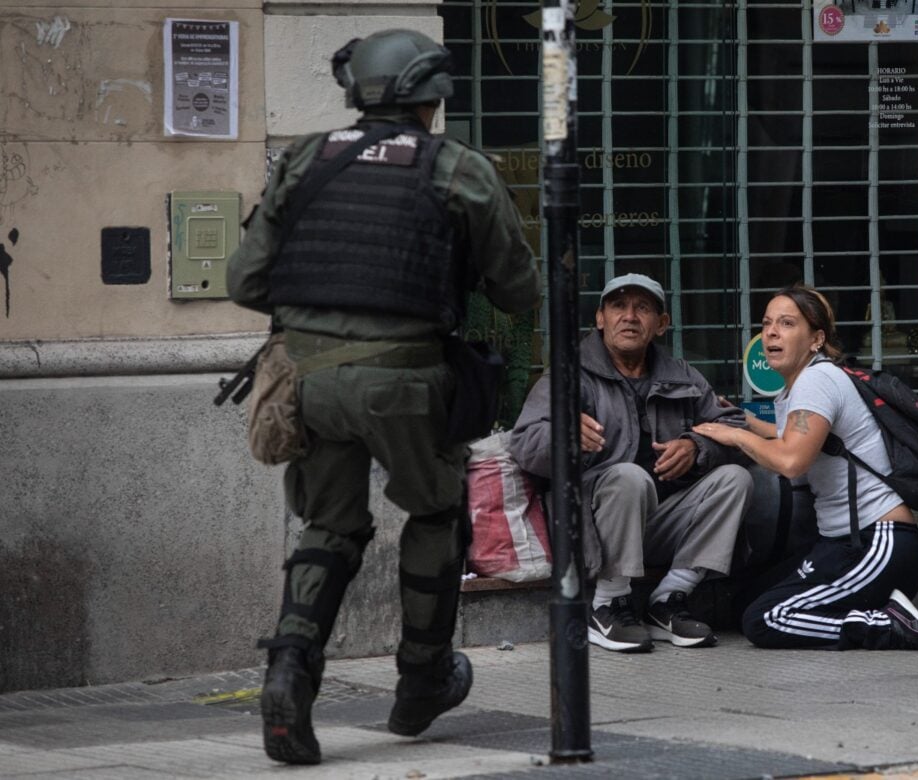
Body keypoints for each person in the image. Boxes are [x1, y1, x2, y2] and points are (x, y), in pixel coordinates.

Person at [226, 29, 540, 765]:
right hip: (405, 378)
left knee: (329, 526)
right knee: (434, 511)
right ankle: (421, 680)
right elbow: (518, 289)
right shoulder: (456, 168)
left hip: (307, 381)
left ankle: (289, 671)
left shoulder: (307, 158)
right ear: (431, 97)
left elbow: (245, 281)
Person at [691, 284, 918, 653]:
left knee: (765, 619)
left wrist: (732, 435)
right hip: (843, 543)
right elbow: (798, 436)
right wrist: (746, 420)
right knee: (746, 601)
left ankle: (887, 625)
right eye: (767, 323)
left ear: (816, 338)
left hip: (876, 542)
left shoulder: (816, 381)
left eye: (787, 323)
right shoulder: (806, 382)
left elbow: (792, 460)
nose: (771, 332)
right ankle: (871, 612)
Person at [509, 272, 753, 653]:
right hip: (592, 527)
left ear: (661, 324)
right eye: (618, 306)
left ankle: (669, 598)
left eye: (643, 308)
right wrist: (563, 437)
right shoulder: (568, 375)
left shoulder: (682, 375)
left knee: (735, 478)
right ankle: (609, 602)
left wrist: (696, 444)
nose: (630, 316)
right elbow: (523, 444)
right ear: (600, 318)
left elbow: (736, 427)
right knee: (627, 476)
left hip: (661, 522)